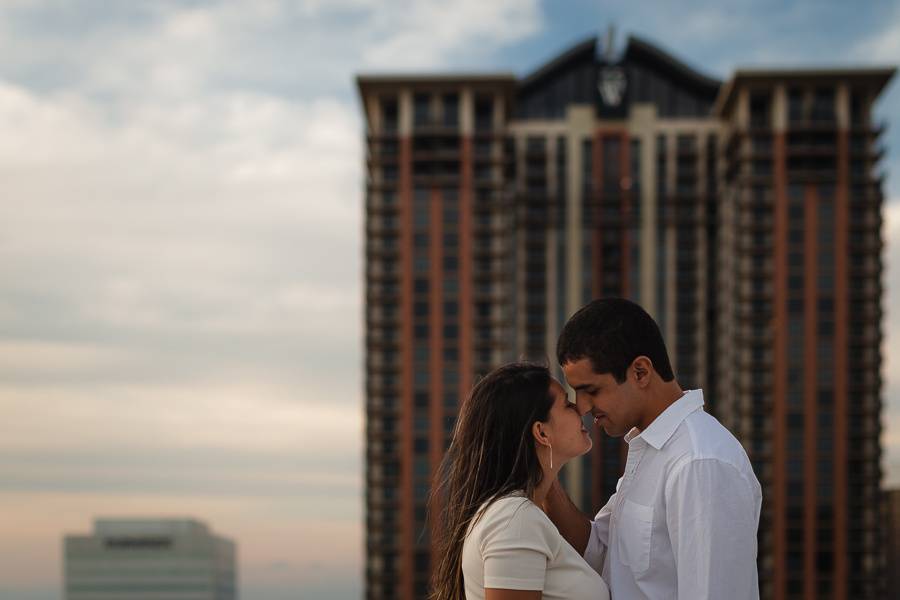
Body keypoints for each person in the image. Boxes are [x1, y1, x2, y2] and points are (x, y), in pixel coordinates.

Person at [547, 298, 762, 599]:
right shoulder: (651, 449)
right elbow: (599, 552)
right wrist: (543, 476)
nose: (582, 407)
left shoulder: (700, 463)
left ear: (641, 372)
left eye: (591, 390)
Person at [429, 362, 610, 600]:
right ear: (542, 433)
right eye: (567, 404)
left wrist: (544, 476)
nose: (580, 409)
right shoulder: (515, 518)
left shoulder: (514, 514)